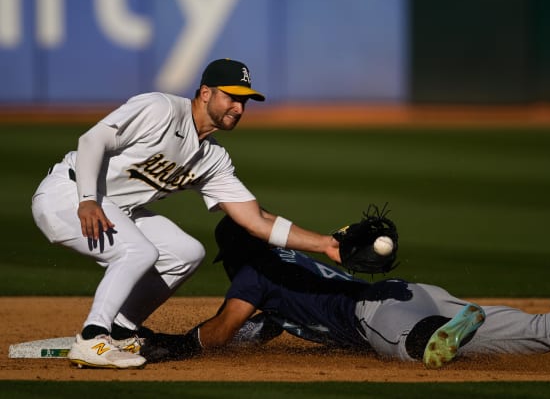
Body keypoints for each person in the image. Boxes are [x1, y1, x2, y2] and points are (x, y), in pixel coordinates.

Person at [30, 59, 341, 370]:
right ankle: (92, 338)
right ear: (205, 92)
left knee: (187, 252)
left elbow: (256, 220)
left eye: (244, 100)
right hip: (66, 195)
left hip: (113, 208)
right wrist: (87, 199)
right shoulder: (160, 109)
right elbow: (92, 140)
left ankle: (121, 330)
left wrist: (325, 244)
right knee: (139, 251)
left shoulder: (212, 157)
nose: (239, 108)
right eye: (231, 97)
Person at [139, 215, 550, 368]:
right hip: (412, 291)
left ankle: (443, 337)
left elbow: (219, 333)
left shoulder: (251, 276)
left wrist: (171, 344)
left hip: (378, 317)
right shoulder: (284, 265)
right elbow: (261, 328)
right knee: (543, 331)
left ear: (235, 252)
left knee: (424, 353)